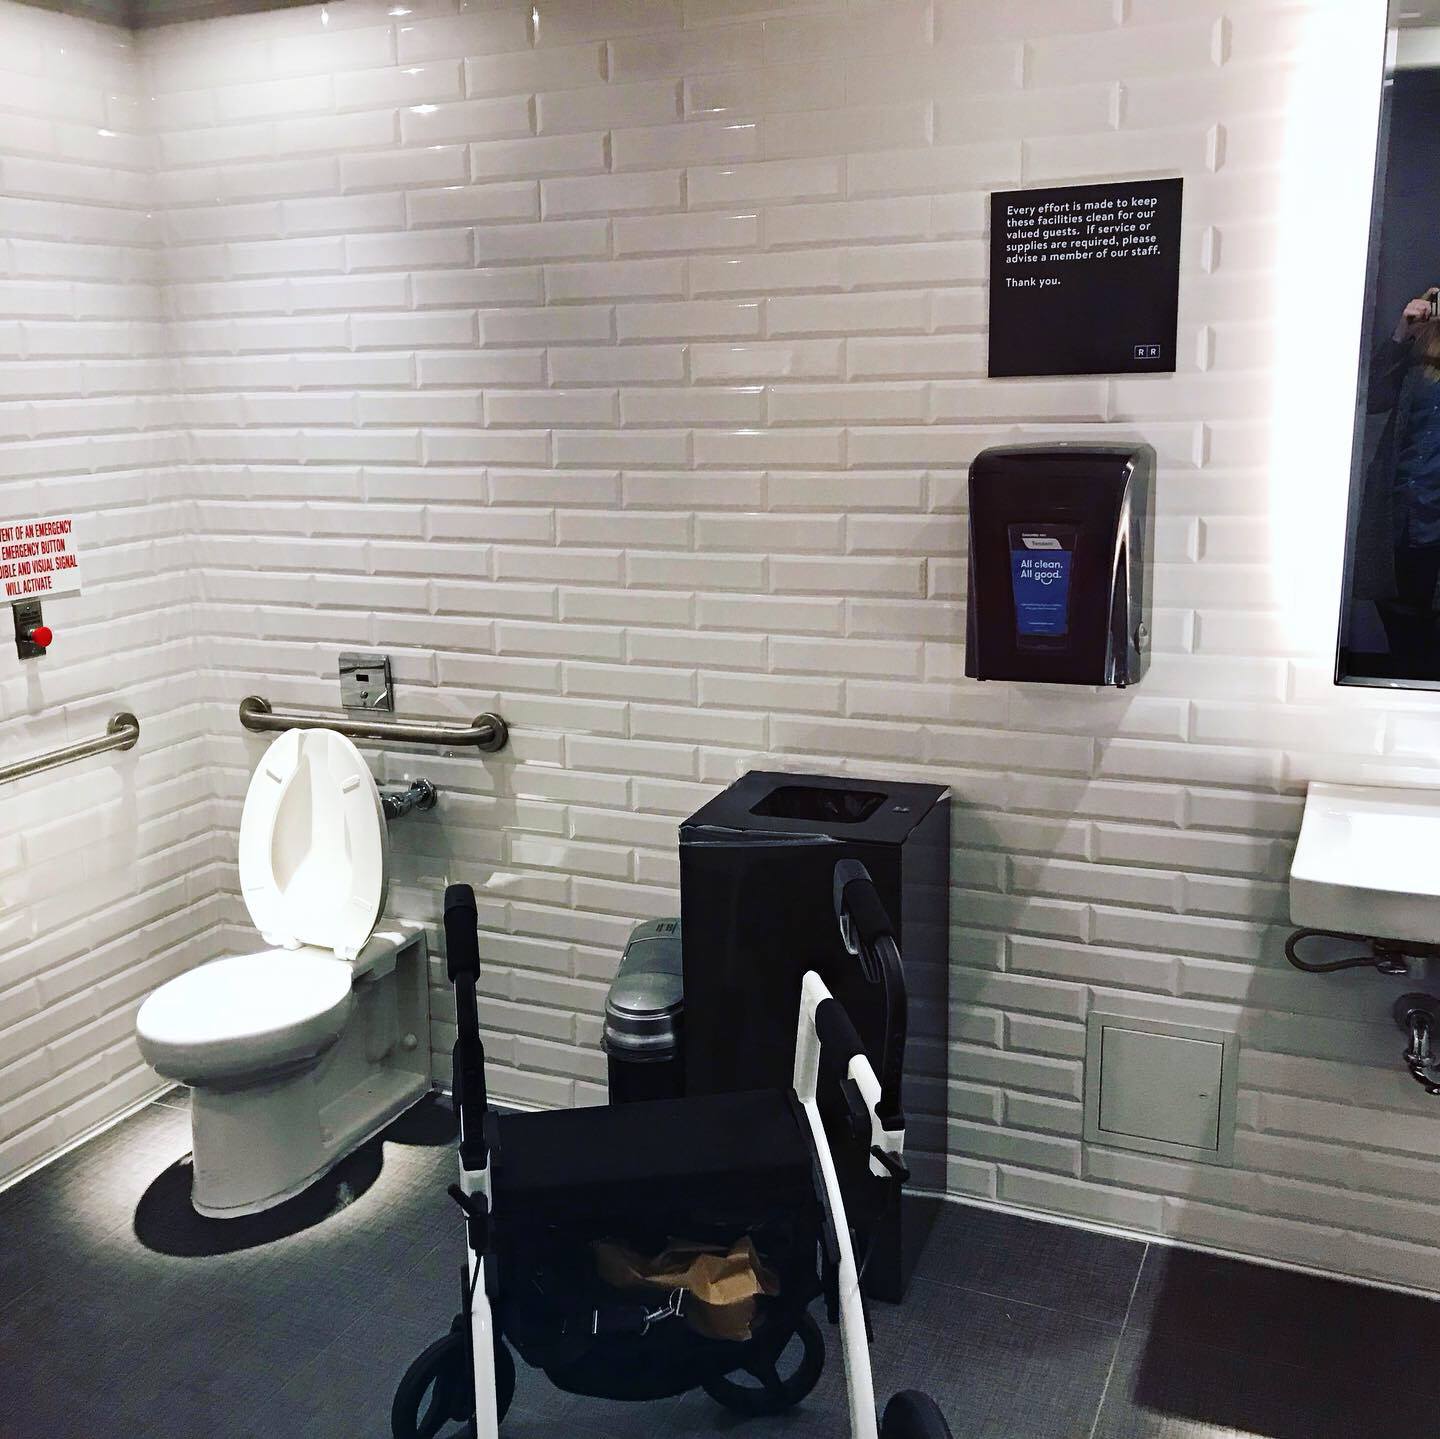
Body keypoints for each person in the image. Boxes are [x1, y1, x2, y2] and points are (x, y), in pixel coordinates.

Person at [1370, 286, 1440, 629]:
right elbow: (1373, 400)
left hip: (1434, 524)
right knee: (1398, 627)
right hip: (1396, 514)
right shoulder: (1419, 344)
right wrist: (1402, 333)